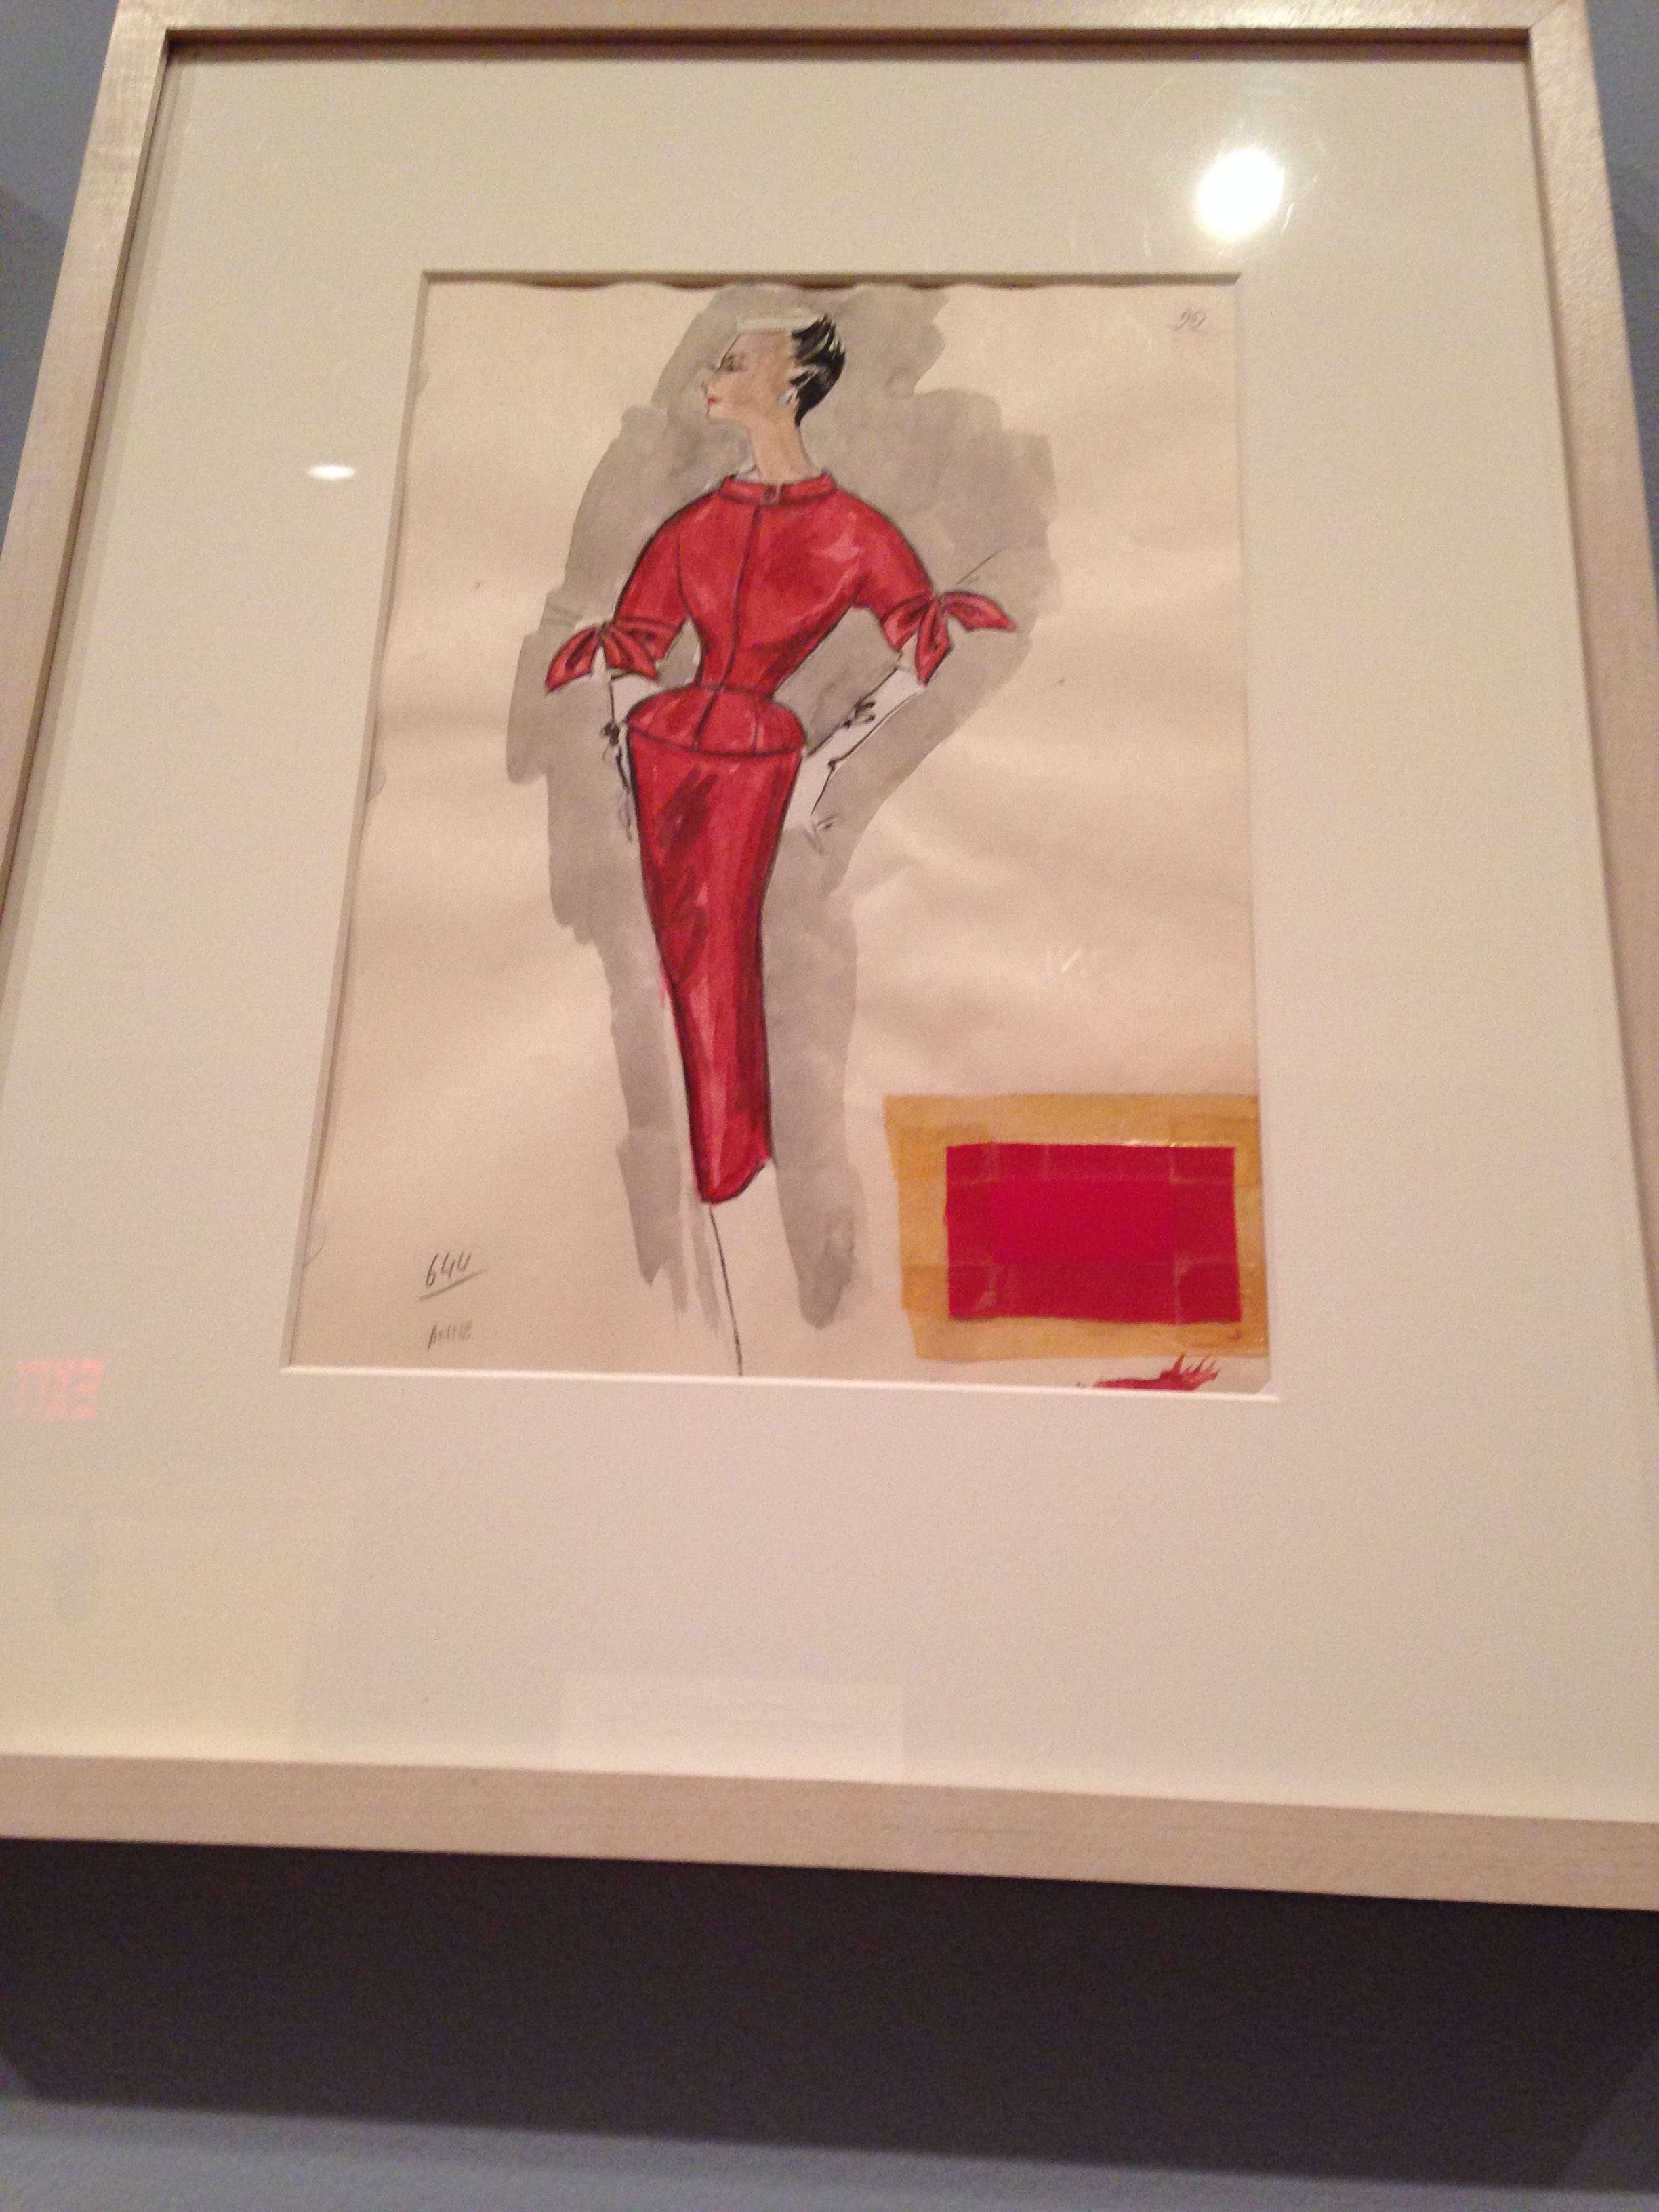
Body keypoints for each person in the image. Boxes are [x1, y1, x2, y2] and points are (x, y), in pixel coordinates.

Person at [544, 313, 1013, 1216]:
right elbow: (635, 641)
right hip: (665, 747)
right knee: (681, 952)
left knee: (720, 951)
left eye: (734, 363)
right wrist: (627, 744)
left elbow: (923, 647)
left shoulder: (853, 530)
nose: (711, 376)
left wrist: (826, 762)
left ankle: (733, 1157)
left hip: (761, 759)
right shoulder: (694, 522)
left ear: (792, 383)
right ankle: (717, 1157)